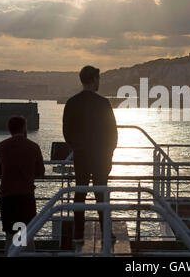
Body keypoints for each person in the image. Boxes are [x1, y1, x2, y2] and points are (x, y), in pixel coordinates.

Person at [63, 65, 118, 250]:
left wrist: (77, 148)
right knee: (101, 194)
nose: (99, 82)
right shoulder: (103, 103)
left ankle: (78, 233)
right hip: (101, 156)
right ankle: (106, 232)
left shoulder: (72, 102)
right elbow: (113, 132)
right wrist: (109, 154)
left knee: (80, 193)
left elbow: (67, 132)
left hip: (81, 155)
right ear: (94, 79)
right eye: (98, 79)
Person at [0, 116, 45, 254]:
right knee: (25, 233)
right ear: (24, 128)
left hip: (7, 196)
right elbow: (40, 172)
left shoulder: (2, 146)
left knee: (10, 234)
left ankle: (11, 254)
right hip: (26, 196)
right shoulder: (33, 146)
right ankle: (24, 253)